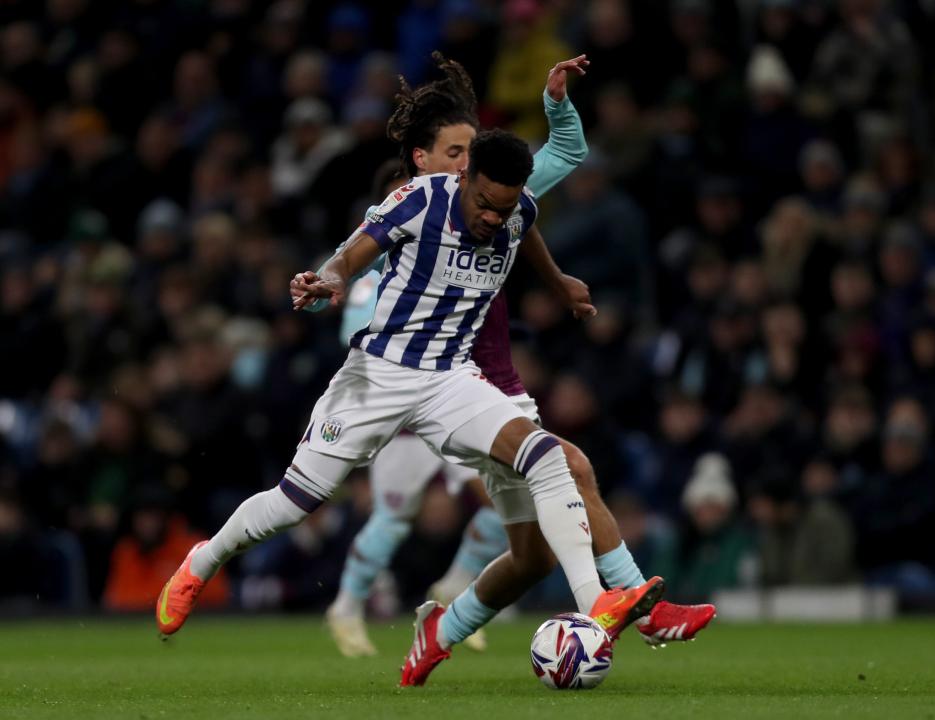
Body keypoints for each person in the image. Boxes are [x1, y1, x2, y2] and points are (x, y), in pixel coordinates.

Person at [156, 131, 662, 676]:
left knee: (547, 456)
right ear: (464, 178)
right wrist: (327, 281)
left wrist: (558, 281)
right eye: (485, 205)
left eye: (504, 208)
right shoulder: (419, 199)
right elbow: (350, 255)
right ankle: (199, 563)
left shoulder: (515, 211)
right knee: (293, 503)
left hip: (450, 379)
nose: (493, 219)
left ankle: (594, 604)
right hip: (378, 376)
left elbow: (526, 227)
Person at [305, 54, 715, 658]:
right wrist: (326, 292)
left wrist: (554, 103)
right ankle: (638, 607)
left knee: (529, 554)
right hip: (423, 397)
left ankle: (439, 629)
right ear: (420, 161)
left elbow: (566, 155)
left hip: (486, 386)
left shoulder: (493, 193)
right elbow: (338, 288)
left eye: (474, 151)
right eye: (456, 153)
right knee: (561, 471)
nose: (470, 165)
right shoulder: (407, 214)